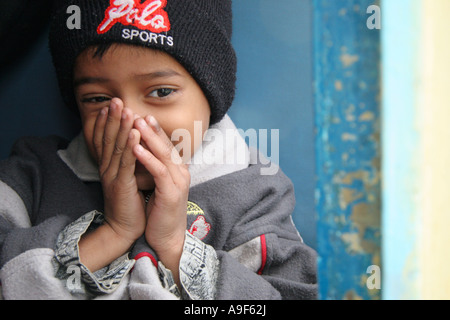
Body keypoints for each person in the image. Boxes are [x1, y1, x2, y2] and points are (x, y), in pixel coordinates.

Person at [0, 0, 317, 300]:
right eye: (97, 99)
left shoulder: (254, 194)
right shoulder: (31, 178)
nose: (132, 124)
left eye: (161, 92)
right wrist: (112, 233)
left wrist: (176, 248)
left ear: (211, 98)